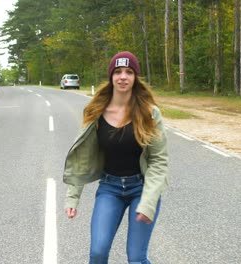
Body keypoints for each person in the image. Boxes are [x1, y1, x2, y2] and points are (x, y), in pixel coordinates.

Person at [63, 51, 169, 264]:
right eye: (118, 71)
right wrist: (72, 196)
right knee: (98, 253)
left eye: (129, 72)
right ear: (111, 77)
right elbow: (82, 156)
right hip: (110, 188)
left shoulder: (149, 113)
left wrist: (148, 202)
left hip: (142, 187)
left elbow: (159, 160)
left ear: (135, 77)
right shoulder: (95, 112)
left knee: (136, 258)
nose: (123, 76)